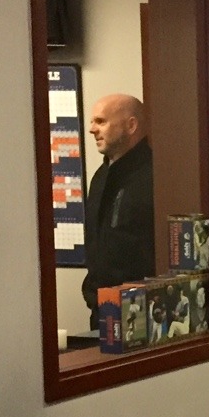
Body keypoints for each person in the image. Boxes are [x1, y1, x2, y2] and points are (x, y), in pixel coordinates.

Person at [82, 93, 155, 325]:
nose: (92, 129)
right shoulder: (101, 177)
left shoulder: (154, 176)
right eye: (93, 122)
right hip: (101, 310)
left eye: (101, 121)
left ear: (131, 125)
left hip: (141, 313)